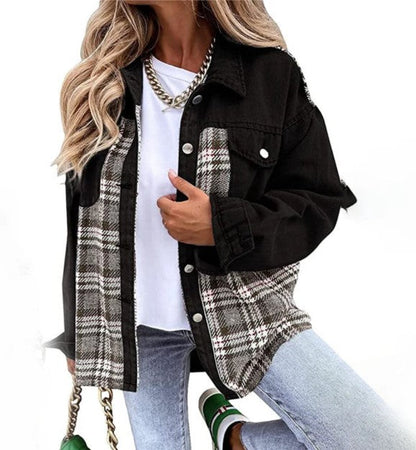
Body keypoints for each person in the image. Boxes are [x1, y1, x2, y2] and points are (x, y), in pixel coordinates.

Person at [42, 1, 416, 449]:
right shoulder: (104, 81)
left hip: (246, 311)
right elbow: (81, 219)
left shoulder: (269, 75)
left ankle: (237, 440)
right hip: (139, 329)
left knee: (382, 440)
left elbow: (318, 201)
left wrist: (221, 226)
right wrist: (78, 332)